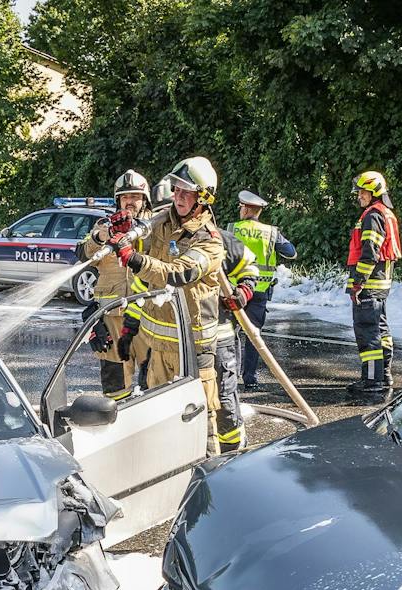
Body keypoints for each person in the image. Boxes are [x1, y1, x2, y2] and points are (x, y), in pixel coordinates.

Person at [108, 156, 227, 454]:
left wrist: (134, 258)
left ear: (204, 197)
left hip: (193, 350)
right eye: (176, 190)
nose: (179, 197)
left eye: (186, 192)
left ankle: (206, 478)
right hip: (157, 349)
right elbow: (142, 270)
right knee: (158, 422)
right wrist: (125, 231)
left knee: (201, 422)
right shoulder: (161, 221)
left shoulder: (210, 242)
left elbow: (178, 274)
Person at [76, 170, 154, 400]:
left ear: (145, 199)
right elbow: (82, 253)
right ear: (117, 200)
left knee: (156, 385)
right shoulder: (104, 225)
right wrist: (102, 236)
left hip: (148, 318)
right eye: (124, 197)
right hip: (112, 320)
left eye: (135, 196)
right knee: (115, 388)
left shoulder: (155, 226)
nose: (129, 201)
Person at [227, 190, 296, 388]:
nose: (240, 210)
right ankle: (250, 378)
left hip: (234, 290)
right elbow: (291, 253)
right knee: (253, 336)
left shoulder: (232, 229)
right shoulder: (272, 232)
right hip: (259, 291)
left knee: (230, 334)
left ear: (247, 208)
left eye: (241, 207)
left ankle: (230, 375)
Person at [346, 170, 402, 399]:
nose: (359, 195)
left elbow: (370, 252)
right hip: (381, 284)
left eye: (362, 191)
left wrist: (358, 282)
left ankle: (371, 381)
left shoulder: (373, 215)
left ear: (373, 192)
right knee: (381, 331)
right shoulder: (385, 213)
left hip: (369, 285)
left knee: (367, 332)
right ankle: (384, 375)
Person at [211, 230, 260, 452]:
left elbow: (250, 267)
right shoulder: (162, 239)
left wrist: (243, 291)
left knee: (224, 403)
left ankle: (234, 453)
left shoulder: (217, 239)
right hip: (176, 343)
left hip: (218, 334)